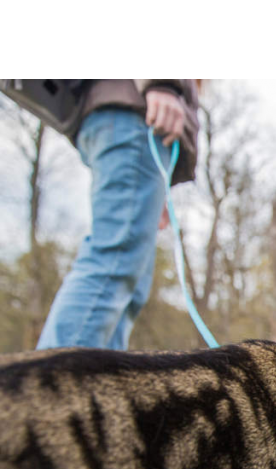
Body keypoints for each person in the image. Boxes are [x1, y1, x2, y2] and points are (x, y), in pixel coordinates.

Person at [31, 80, 200, 350]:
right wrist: (161, 82)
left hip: (132, 122)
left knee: (129, 287)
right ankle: (48, 387)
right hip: (136, 115)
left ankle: (98, 384)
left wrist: (160, 190)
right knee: (114, 266)